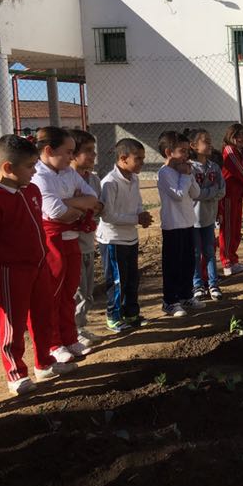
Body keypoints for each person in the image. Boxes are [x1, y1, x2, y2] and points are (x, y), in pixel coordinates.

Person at [0, 135, 77, 395]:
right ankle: (16, 373)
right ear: (8, 167)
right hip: (12, 271)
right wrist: (6, 264)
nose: (34, 171)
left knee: (43, 315)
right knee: (14, 323)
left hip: (39, 266)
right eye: (30, 166)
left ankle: (44, 362)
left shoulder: (31, 191)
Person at [31, 127, 101, 363]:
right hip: (52, 241)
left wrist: (69, 204)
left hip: (71, 239)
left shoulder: (68, 172)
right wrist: (77, 206)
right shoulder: (39, 175)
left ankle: (69, 337)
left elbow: (93, 199)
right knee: (53, 293)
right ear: (49, 150)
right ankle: (54, 343)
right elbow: (56, 212)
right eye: (68, 152)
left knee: (69, 291)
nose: (72, 157)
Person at [96, 138, 153, 332]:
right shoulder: (110, 183)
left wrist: (142, 214)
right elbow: (108, 216)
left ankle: (131, 314)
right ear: (123, 158)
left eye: (143, 158)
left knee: (132, 279)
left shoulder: (134, 178)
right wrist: (136, 218)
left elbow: (137, 203)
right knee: (117, 280)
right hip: (113, 240)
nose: (142, 162)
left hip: (130, 238)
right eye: (138, 159)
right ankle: (113, 316)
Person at [157, 130, 203, 317]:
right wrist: (184, 176)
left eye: (187, 151)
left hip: (187, 223)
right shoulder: (164, 173)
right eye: (182, 151)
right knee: (173, 265)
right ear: (169, 152)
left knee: (188, 262)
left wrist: (189, 175)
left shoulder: (184, 171)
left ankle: (186, 295)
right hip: (173, 225)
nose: (186, 155)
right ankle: (170, 301)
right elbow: (178, 194)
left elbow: (196, 193)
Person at [69, 129, 103, 347]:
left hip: (89, 240)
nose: (93, 155)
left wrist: (95, 209)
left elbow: (97, 207)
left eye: (94, 150)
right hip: (73, 243)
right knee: (77, 290)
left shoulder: (93, 179)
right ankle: (71, 331)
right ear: (73, 154)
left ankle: (79, 326)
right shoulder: (66, 180)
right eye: (88, 151)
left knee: (88, 290)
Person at [188, 129, 225, 301]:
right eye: (206, 142)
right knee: (195, 253)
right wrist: (211, 192)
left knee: (210, 252)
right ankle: (197, 285)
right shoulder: (189, 168)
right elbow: (194, 194)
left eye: (210, 141)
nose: (210, 145)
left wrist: (206, 193)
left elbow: (222, 190)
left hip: (209, 218)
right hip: (193, 219)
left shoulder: (214, 167)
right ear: (193, 146)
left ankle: (213, 284)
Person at [219, 123, 243, 276]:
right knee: (228, 229)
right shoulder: (230, 150)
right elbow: (241, 172)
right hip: (228, 196)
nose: (241, 139)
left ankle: (233, 260)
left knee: (235, 228)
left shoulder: (240, 151)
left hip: (236, 195)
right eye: (237, 136)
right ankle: (227, 262)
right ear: (230, 136)